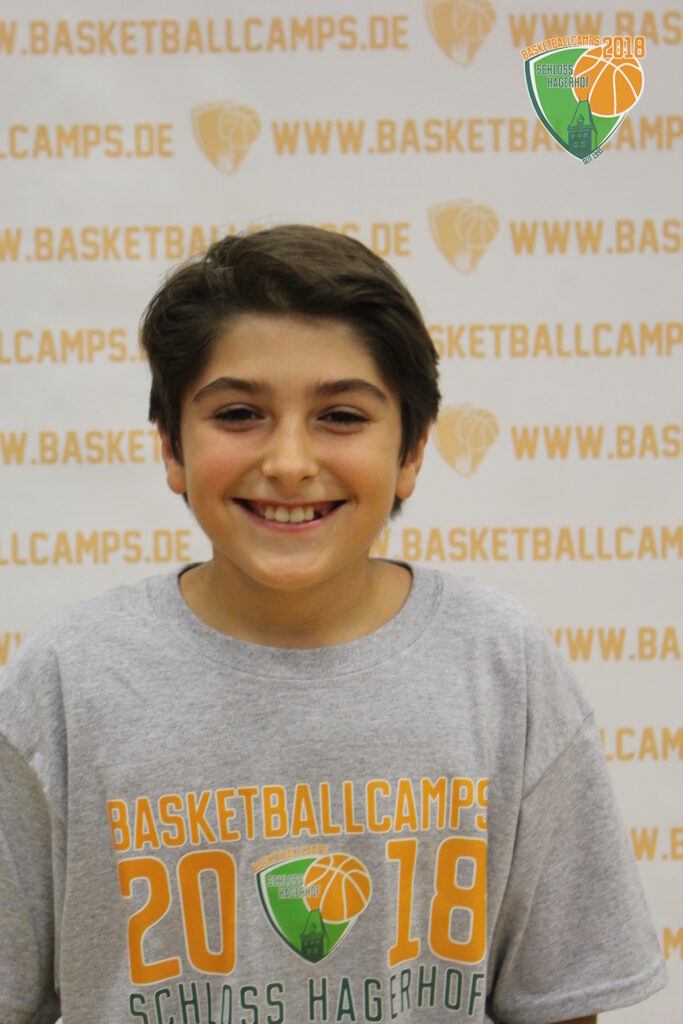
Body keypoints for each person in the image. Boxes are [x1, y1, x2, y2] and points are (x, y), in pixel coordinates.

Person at [0, 226, 666, 1023]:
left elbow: (560, 1002)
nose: (288, 462)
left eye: (341, 416)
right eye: (239, 413)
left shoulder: (500, 667)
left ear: (410, 452)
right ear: (173, 448)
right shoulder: (67, 680)